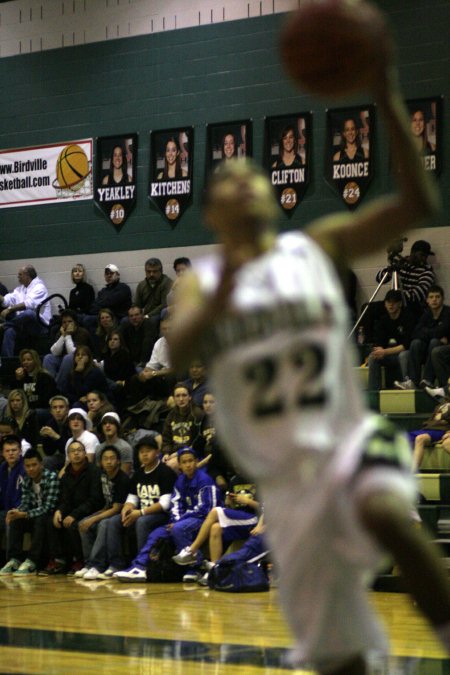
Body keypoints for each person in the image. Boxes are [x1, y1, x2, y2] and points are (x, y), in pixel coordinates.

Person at [168, 35, 450, 671]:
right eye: (228, 180)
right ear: (212, 213)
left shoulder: (314, 246)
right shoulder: (202, 283)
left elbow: (418, 203)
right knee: (341, 660)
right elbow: (181, 345)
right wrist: (224, 297)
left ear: (270, 198)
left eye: (251, 175)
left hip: (348, 438)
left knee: (387, 514)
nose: (243, 183)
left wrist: (384, 89)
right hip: (287, 484)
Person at [114, 446, 221, 583]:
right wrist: (176, 520)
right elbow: (175, 504)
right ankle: (139, 567)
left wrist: (179, 522)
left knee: (178, 529)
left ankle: (196, 567)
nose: (188, 465)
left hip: (203, 519)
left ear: (196, 461)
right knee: (157, 533)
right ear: (180, 465)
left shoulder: (205, 480)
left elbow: (207, 509)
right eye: (184, 462)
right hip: (183, 521)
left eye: (190, 461)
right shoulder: (180, 481)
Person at [41, 439, 103, 576]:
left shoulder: (94, 471)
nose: (76, 453)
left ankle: (78, 560)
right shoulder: (66, 474)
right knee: (51, 521)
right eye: (72, 451)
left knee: (73, 524)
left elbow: (94, 500)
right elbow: (64, 499)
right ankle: (59, 559)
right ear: (68, 455)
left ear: (85, 453)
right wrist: (59, 511)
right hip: (72, 510)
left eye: (79, 450)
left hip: (90, 511)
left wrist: (74, 514)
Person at [75, 445, 131, 580]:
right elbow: (107, 505)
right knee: (83, 523)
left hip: (123, 513)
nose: (109, 461)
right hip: (109, 509)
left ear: (118, 461)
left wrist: (94, 519)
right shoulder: (103, 476)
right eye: (105, 459)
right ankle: (89, 564)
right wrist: (92, 517)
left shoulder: (122, 479)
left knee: (103, 523)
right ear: (101, 462)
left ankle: (98, 565)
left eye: (112, 458)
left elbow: (117, 508)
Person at [2, 448, 59, 576]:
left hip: (50, 516)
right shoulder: (27, 480)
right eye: (28, 466)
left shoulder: (51, 478)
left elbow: (48, 507)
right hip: (34, 514)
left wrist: (25, 514)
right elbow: (26, 503)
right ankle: (14, 559)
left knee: (41, 519)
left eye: (34, 465)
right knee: (16, 520)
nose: (31, 469)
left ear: (41, 464)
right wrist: (16, 512)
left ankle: (32, 561)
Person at [395, 285, 450, 390]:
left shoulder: (448, 313)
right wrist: (434, 334)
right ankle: (412, 381)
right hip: (429, 349)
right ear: (427, 300)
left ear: (442, 299)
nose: (434, 300)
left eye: (437, 297)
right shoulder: (426, 314)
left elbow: (443, 330)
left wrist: (429, 333)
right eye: (431, 297)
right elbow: (415, 333)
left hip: (444, 350)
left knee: (434, 342)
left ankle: (427, 380)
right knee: (416, 343)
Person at [367, 290, 415, 390]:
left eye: (394, 302)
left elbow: (406, 345)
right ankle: (374, 390)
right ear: (385, 304)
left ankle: (406, 385)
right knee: (373, 357)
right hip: (390, 355)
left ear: (400, 304)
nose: (391, 305)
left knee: (403, 355)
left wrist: (384, 351)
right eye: (388, 302)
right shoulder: (383, 320)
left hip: (405, 354)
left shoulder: (408, 318)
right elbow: (379, 341)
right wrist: (379, 351)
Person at [375, 239, 435, 318]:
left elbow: (418, 294)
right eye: (422, 255)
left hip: (412, 306)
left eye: (426, 256)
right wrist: (392, 269)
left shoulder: (427, 272)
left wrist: (397, 298)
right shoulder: (400, 263)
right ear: (412, 253)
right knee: (369, 308)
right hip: (393, 303)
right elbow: (379, 278)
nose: (424, 259)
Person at [0, 265, 51, 357]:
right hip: (23, 325)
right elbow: (7, 300)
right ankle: (8, 363)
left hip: (40, 325)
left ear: (27, 275)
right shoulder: (20, 289)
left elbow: (29, 304)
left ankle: (5, 325)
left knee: (29, 313)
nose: (18, 277)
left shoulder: (40, 287)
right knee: (9, 332)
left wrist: (9, 309)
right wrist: (2, 299)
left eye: (20, 274)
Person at [42, 309, 92, 386]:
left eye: (69, 321)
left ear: (75, 322)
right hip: (63, 359)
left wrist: (68, 335)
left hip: (80, 360)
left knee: (68, 357)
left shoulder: (82, 332)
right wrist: (63, 336)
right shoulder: (61, 332)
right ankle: (50, 385)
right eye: (64, 322)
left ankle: (58, 387)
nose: (67, 324)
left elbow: (74, 353)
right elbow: (54, 352)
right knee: (48, 358)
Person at [161, 383, 203, 468]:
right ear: (174, 398)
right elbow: (166, 438)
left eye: (184, 395)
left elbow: (197, 442)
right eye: (178, 396)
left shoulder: (197, 414)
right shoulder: (171, 415)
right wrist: (166, 453)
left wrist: (178, 453)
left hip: (190, 453)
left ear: (190, 397)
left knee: (170, 465)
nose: (181, 399)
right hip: (173, 452)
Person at [0, 434, 25, 570]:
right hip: (5, 510)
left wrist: (18, 510)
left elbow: (28, 496)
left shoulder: (25, 467)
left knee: (13, 520)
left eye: (14, 450)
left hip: (21, 510)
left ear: (20, 451)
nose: (11, 453)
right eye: (7, 451)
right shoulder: (2, 469)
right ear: (3, 453)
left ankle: (13, 560)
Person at [14, 349, 57, 420]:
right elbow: (15, 394)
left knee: (33, 414)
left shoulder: (45, 377)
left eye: (29, 359)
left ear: (35, 361)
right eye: (23, 360)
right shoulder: (21, 377)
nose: (26, 362)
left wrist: (30, 409)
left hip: (42, 409)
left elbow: (46, 400)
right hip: (26, 409)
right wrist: (18, 380)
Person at [39, 395, 71, 472]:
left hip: (73, 455)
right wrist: (46, 437)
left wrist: (55, 436)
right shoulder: (50, 424)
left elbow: (69, 450)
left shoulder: (72, 422)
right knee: (46, 460)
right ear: (50, 411)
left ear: (67, 410)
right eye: (55, 407)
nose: (58, 410)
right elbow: (49, 452)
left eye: (61, 407)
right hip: (61, 456)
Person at [133, 258, 173, 323]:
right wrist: (134, 315)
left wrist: (147, 315)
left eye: (155, 271)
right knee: (126, 320)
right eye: (148, 271)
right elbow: (137, 304)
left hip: (160, 314)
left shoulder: (167, 283)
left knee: (151, 321)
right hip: (145, 314)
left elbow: (164, 304)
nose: (151, 274)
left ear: (161, 271)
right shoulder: (141, 285)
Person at [121, 305, 158, 370]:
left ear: (142, 315)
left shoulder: (149, 324)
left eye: (137, 315)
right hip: (133, 360)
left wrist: (142, 362)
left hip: (147, 361)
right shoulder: (127, 326)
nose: (134, 318)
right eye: (131, 316)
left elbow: (147, 344)